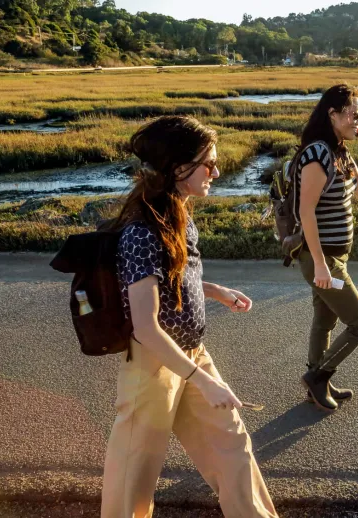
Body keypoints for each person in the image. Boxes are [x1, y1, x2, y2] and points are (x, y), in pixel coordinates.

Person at [101, 115, 278, 517]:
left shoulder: (178, 211)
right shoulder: (143, 230)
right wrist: (202, 381)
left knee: (232, 447)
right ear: (177, 167)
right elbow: (146, 326)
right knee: (133, 479)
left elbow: (174, 279)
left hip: (192, 353)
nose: (216, 171)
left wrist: (213, 291)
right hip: (153, 367)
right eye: (207, 163)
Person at [295, 83, 358, 412]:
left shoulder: (341, 152)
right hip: (321, 257)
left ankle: (317, 384)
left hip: (334, 255)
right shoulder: (316, 153)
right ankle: (318, 376)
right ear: (332, 114)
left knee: (324, 321)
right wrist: (322, 265)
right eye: (352, 114)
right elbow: (305, 211)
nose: (357, 120)